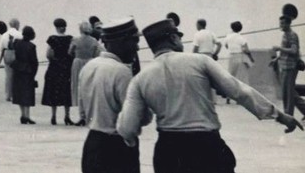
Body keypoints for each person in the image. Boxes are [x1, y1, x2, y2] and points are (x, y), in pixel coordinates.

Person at [117, 18, 301, 173]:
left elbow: (126, 128)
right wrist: (280, 116)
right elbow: (240, 91)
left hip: (169, 151)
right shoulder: (200, 62)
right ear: (173, 38)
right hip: (206, 146)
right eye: (179, 37)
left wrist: (131, 139)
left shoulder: (140, 79)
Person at [78, 17, 141, 173]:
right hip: (117, 147)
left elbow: (82, 110)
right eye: (134, 41)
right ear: (121, 42)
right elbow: (132, 120)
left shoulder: (89, 67)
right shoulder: (122, 72)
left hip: (92, 143)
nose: (137, 47)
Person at [69, 20, 102, 126]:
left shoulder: (75, 40)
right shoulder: (94, 41)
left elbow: (70, 52)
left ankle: (82, 115)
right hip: (90, 63)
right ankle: (90, 115)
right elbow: (98, 53)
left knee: (79, 89)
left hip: (78, 63)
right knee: (89, 89)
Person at [42, 18, 74, 125]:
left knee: (54, 90)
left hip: (55, 67)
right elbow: (72, 53)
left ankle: (53, 116)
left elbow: (48, 54)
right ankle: (67, 116)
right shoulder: (70, 38)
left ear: (56, 27)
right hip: (66, 67)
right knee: (66, 90)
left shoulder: (52, 39)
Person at [273, 14, 305, 118]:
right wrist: (277, 59)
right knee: (287, 92)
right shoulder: (285, 35)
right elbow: (285, 51)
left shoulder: (292, 35)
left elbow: (294, 50)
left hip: (291, 67)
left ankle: (288, 115)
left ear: (288, 24)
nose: (280, 25)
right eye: (280, 23)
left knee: (289, 93)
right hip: (284, 66)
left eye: (282, 23)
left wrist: (279, 49)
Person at [11, 25, 39, 124]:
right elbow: (34, 62)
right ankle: (27, 115)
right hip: (27, 71)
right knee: (27, 94)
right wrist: (34, 74)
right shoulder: (31, 46)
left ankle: (22, 114)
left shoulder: (17, 43)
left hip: (18, 69)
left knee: (19, 93)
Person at [224, 21, 254, 88]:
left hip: (231, 56)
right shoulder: (241, 38)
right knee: (241, 76)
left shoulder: (228, 37)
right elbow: (246, 50)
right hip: (239, 56)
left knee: (231, 76)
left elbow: (226, 46)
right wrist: (251, 58)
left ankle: (230, 93)